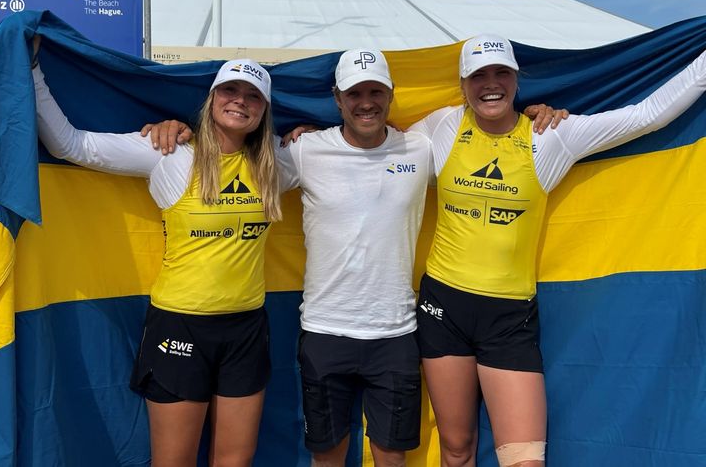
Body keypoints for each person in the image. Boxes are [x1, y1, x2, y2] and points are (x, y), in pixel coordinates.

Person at [145, 48, 563, 467]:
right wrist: (177, 131)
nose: (366, 101)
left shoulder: (420, 146)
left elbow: (490, 136)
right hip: (324, 332)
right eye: (355, 92)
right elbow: (242, 153)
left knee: (392, 458)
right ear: (337, 98)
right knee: (327, 458)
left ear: (391, 94)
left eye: (376, 91)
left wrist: (536, 116)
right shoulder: (304, 151)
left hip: (396, 334)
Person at [410, 34, 706, 467]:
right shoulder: (441, 127)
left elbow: (647, 116)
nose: (490, 84)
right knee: (456, 450)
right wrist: (303, 133)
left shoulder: (551, 135)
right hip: (443, 307)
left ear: (516, 79)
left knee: (525, 460)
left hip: (508, 318)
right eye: (478, 76)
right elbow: (378, 142)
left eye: (500, 73)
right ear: (462, 84)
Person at [31, 37, 280, 467]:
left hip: (246, 330)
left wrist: (308, 131)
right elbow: (71, 146)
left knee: (236, 461)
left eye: (253, 96)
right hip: (180, 326)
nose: (240, 101)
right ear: (212, 98)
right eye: (230, 91)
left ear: (264, 110)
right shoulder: (171, 154)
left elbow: (339, 151)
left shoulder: (275, 164)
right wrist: (32, 71)